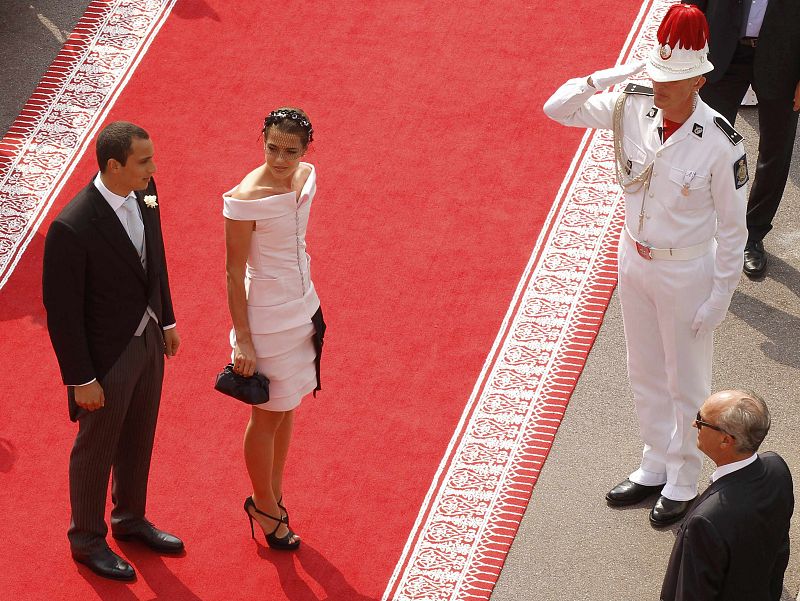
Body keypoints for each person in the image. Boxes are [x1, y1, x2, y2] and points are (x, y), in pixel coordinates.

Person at [543, 4, 748, 526]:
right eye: (654, 73)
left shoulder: (721, 144)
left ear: (700, 79)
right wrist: (605, 76)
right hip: (634, 257)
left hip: (687, 271)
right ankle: (654, 462)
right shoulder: (633, 105)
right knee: (644, 371)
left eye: (671, 79)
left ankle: (683, 476)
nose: (658, 86)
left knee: (687, 381)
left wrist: (720, 296)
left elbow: (733, 231)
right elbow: (557, 108)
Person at [42, 121, 183, 581]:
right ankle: (86, 539)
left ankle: (129, 519)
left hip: (147, 342)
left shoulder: (146, 190)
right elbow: (62, 314)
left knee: (139, 436)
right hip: (106, 359)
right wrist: (81, 379)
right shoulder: (73, 225)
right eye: (144, 161)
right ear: (113, 165)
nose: (154, 168)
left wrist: (166, 320)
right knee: (96, 448)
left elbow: (155, 257)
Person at [223, 107, 325, 551]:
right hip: (265, 316)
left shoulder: (306, 176)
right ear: (261, 138)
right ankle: (263, 505)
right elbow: (232, 271)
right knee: (266, 413)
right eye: (272, 147)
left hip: (304, 308)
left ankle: (275, 493)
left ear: (306, 150)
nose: (280, 159)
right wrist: (242, 338)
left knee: (287, 408)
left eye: (290, 150)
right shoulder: (246, 196)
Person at [686, 0, 800, 279]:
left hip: (785, 59)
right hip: (722, 52)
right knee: (704, 143)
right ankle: (699, 229)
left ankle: (752, 234)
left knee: (775, 151)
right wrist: (687, 53)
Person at [661, 390, 793, 601]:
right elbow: (780, 548)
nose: (695, 425)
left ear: (725, 440)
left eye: (701, 420)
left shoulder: (705, 522)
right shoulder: (777, 468)